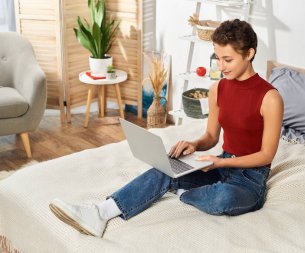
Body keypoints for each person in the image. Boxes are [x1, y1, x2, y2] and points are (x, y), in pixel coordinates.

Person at [49, 19, 284, 238]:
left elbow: (266, 155)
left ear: (249, 54)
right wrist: (194, 144)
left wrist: (221, 162)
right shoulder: (218, 89)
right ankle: (101, 212)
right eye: (218, 58)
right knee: (166, 167)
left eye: (228, 60)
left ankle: (184, 193)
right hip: (219, 165)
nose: (221, 66)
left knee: (224, 197)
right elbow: (212, 136)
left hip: (249, 179)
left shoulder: (270, 98)